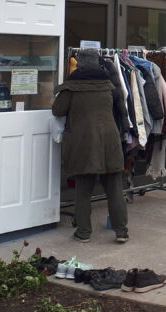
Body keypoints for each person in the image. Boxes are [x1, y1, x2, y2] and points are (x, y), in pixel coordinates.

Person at [52, 50, 129, 244]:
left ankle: (84, 232)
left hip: (84, 142)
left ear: (79, 64)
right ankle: (121, 231)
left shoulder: (72, 86)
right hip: (110, 140)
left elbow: (57, 110)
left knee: (83, 189)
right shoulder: (109, 84)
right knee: (114, 189)